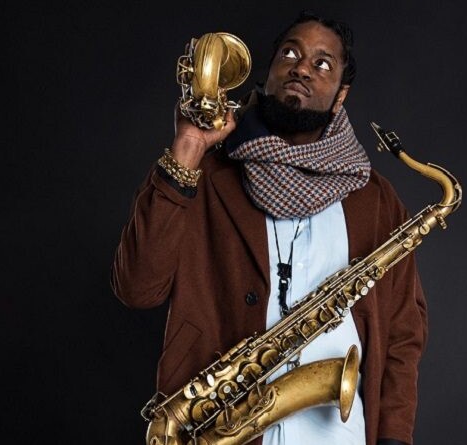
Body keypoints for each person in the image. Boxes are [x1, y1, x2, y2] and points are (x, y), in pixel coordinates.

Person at [112, 11, 427, 445]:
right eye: (290, 54)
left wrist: (394, 438)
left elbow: (403, 336)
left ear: (341, 95)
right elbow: (137, 288)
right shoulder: (203, 174)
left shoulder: (375, 200)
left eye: (322, 63)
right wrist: (187, 150)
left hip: (338, 433)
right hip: (216, 430)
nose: (301, 68)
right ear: (271, 70)